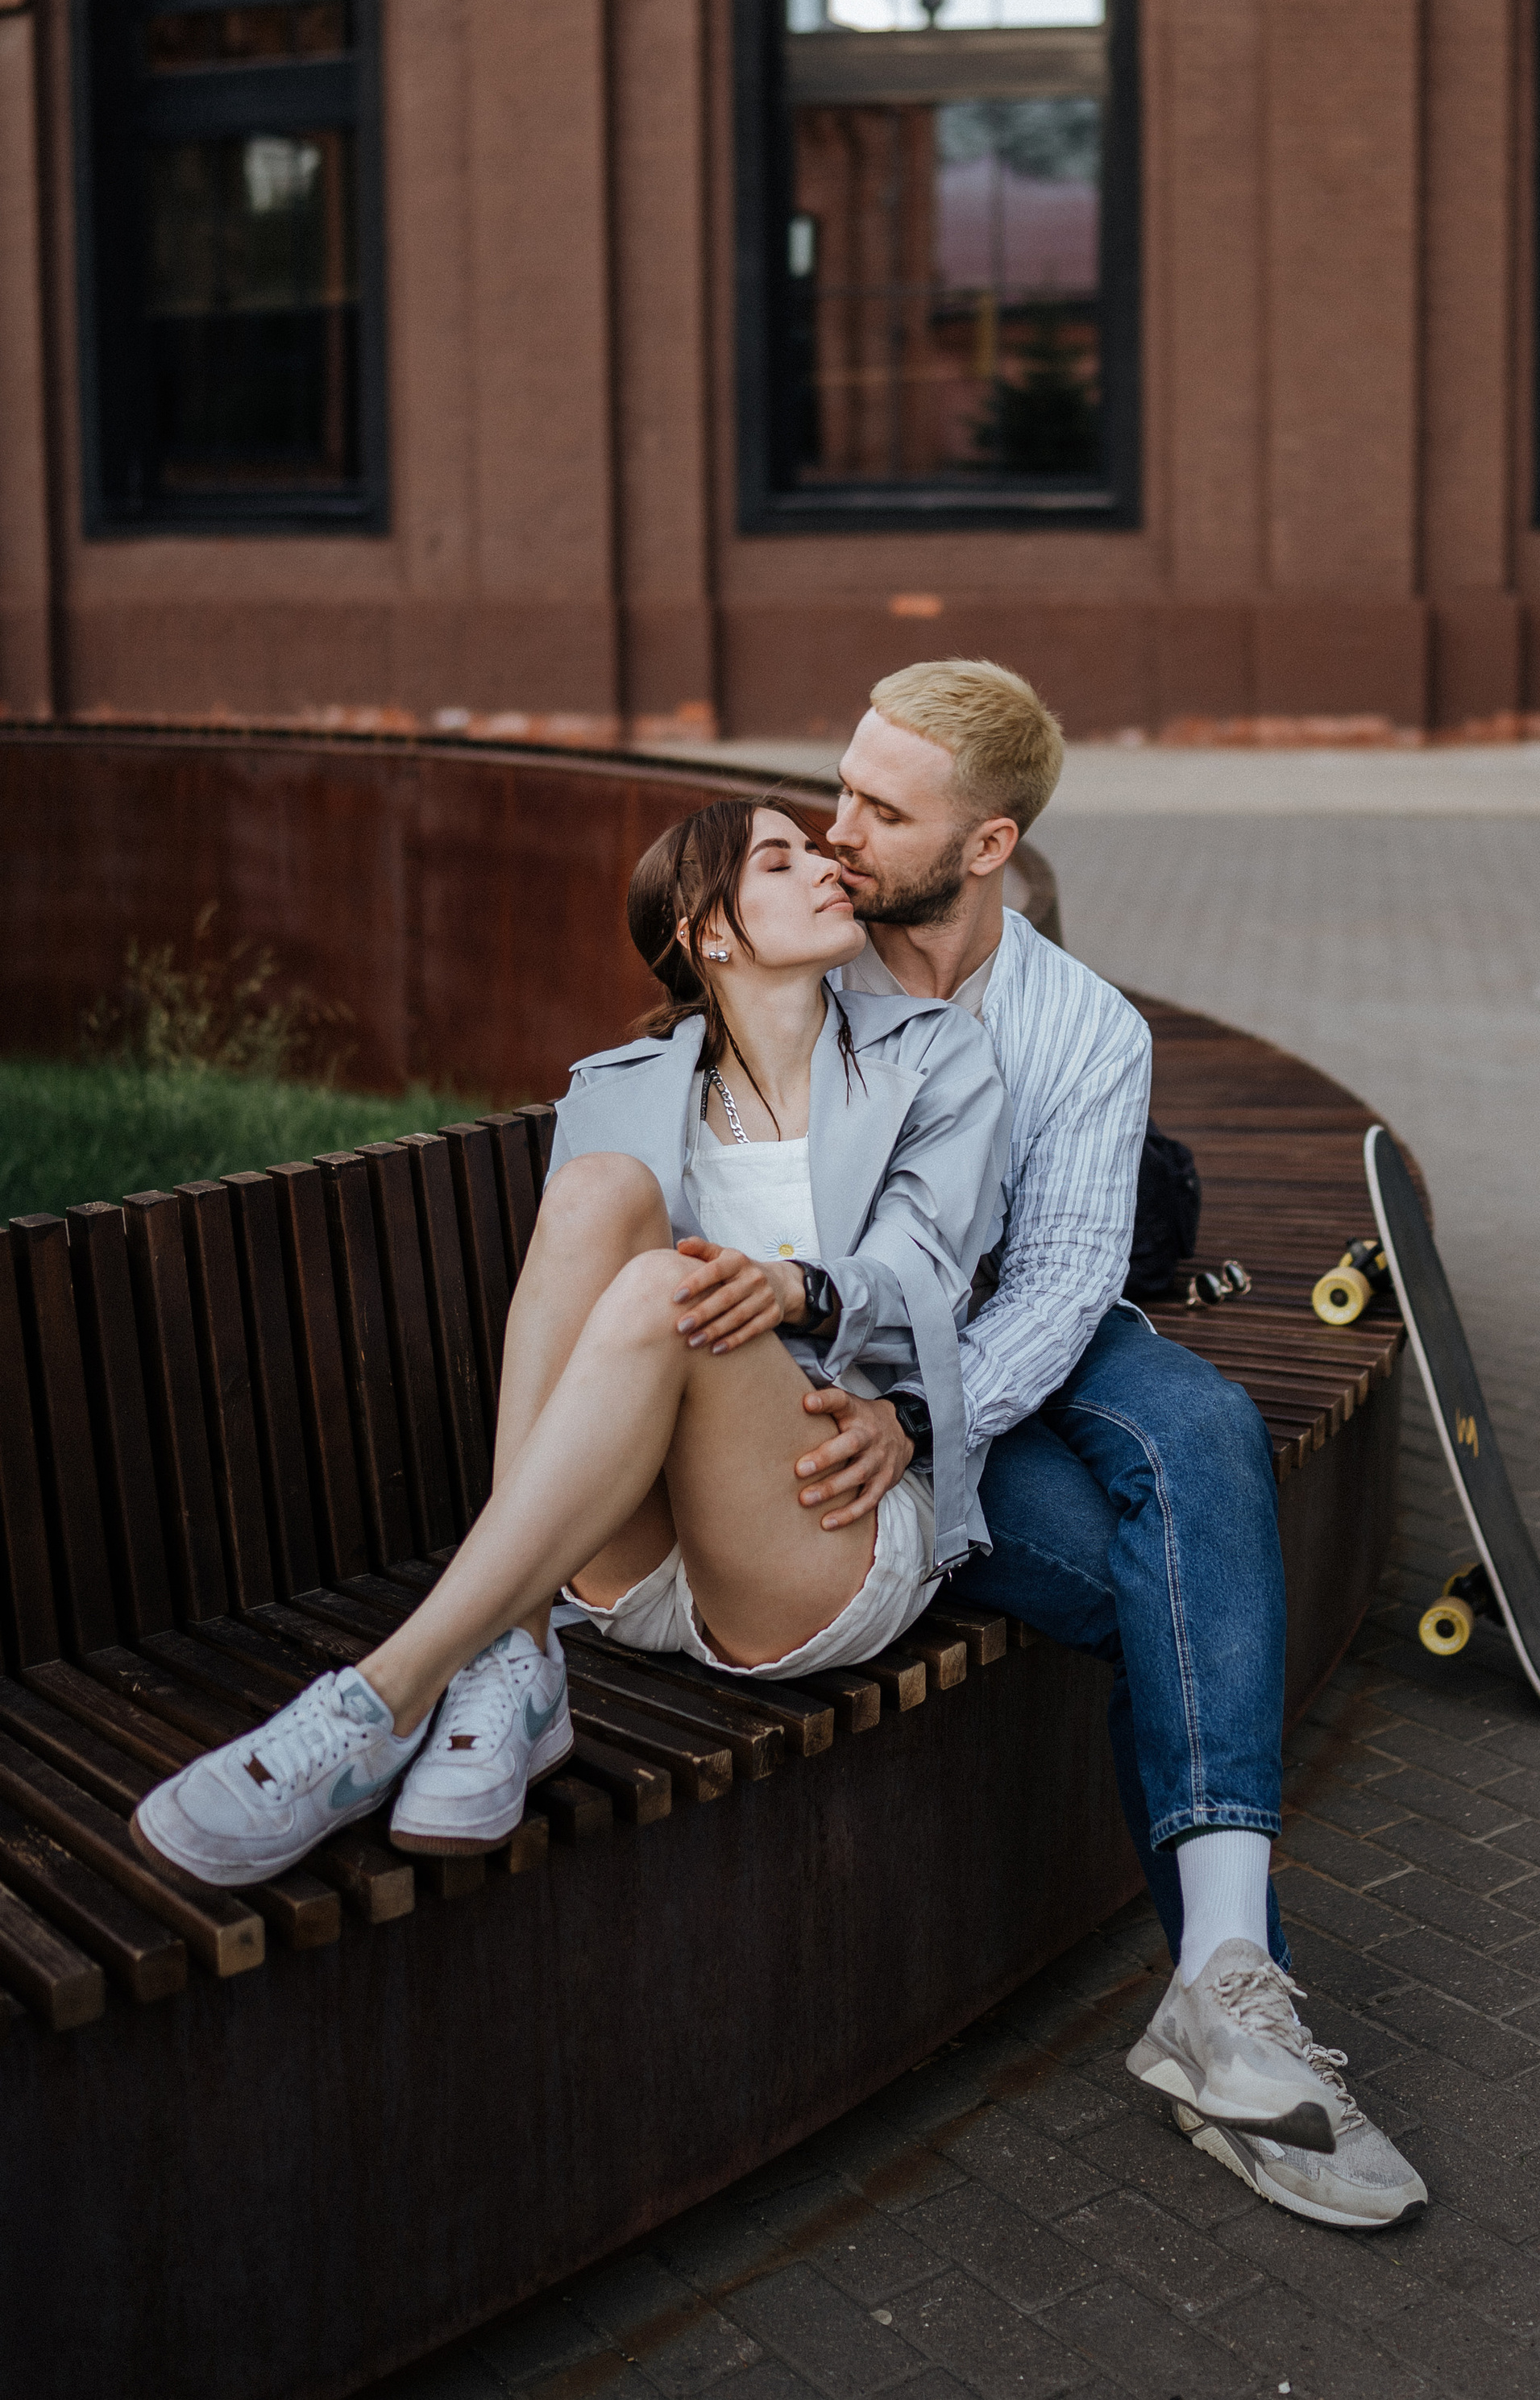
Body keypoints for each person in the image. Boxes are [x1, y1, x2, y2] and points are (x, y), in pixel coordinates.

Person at [133, 799, 1008, 1881]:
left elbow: (927, 1273)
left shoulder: (933, 1053)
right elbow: (583, 1302)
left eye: (814, 850)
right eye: (779, 861)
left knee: (663, 1285)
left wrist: (796, 1291)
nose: (827, 865)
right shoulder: (616, 1089)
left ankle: (380, 1697)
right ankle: (517, 1654)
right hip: (631, 1552)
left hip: (822, 1520)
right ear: (709, 930)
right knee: (601, 1192)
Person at [827, 659, 1426, 2233]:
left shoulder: (1082, 1025)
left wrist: (928, 1415)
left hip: (1011, 1348)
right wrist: (888, 1406)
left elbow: (1066, 1281)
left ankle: (1223, 1990)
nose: (837, 829)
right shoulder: (802, 962)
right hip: (859, 1371)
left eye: (881, 809)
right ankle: (1243, 2023)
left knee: (1202, 1417)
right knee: (1171, 1588)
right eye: (842, 787)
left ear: (988, 845)